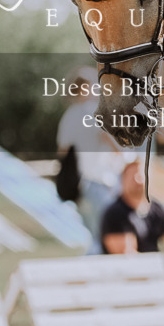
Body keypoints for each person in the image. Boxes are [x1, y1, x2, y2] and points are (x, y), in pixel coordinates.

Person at [56, 67, 123, 251]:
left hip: (80, 185)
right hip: (101, 181)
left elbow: (62, 151)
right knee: (105, 238)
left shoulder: (68, 116)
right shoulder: (95, 112)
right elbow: (113, 144)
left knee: (94, 235)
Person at [101, 160, 164, 278]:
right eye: (132, 176)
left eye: (141, 175)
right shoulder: (115, 213)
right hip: (124, 278)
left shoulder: (159, 209)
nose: (137, 180)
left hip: (156, 274)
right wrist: (159, 274)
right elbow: (127, 255)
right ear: (122, 181)